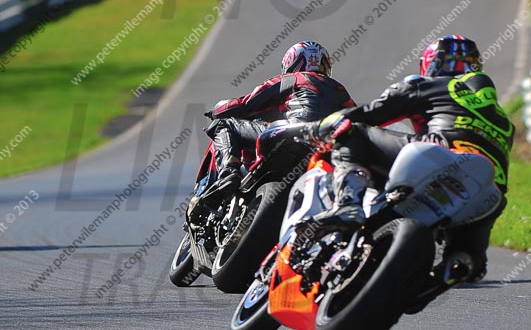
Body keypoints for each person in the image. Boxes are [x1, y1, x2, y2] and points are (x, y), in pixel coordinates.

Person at [304, 35, 514, 282]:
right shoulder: (504, 121)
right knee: (468, 262)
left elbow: (369, 114)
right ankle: (460, 264)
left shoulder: (426, 84)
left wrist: (319, 126)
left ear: (431, 63)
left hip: (440, 156)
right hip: (489, 195)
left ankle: (347, 204)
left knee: (354, 132)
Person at [201, 40, 355, 197]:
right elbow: (356, 118)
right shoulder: (338, 88)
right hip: (324, 148)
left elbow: (244, 105)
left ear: (291, 62)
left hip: (292, 134)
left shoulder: (292, 78)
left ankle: (228, 174)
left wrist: (215, 111)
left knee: (224, 125)